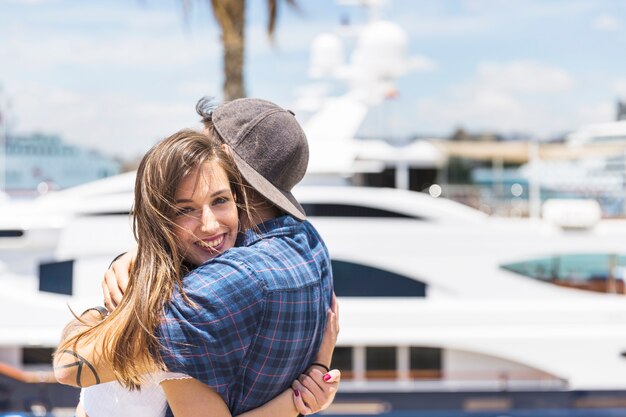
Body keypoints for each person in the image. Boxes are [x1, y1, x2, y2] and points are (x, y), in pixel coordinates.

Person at [58, 98, 336, 415]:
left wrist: (102, 312)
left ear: (228, 160)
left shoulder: (208, 292)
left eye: (207, 147)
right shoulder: (307, 242)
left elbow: (71, 366)